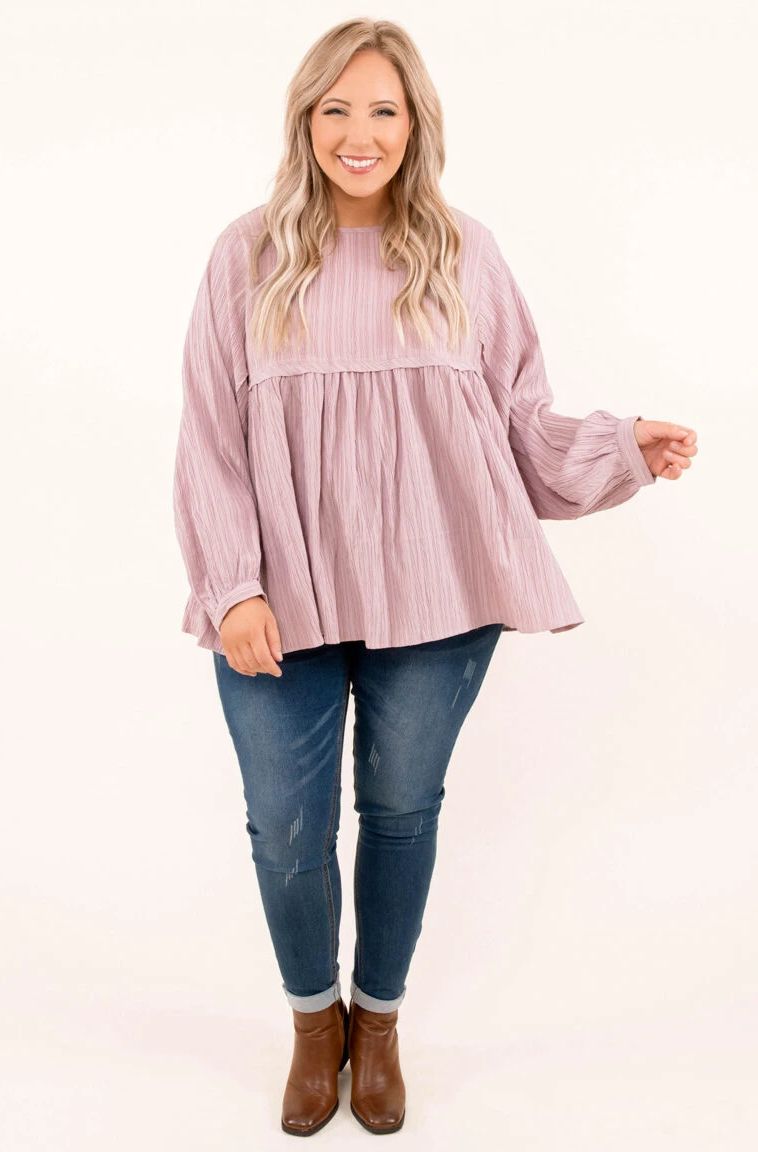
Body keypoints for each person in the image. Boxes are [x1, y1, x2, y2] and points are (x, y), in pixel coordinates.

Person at [172, 18, 698, 1138]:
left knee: (401, 812)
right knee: (285, 829)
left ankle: (379, 1022)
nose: (358, 134)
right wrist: (232, 586)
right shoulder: (245, 254)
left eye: (383, 110)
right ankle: (313, 1022)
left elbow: (516, 424)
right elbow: (210, 435)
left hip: (438, 591)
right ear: (304, 121)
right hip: (278, 602)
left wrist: (618, 446)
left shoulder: (465, 252)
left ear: (416, 126)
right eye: (336, 109)